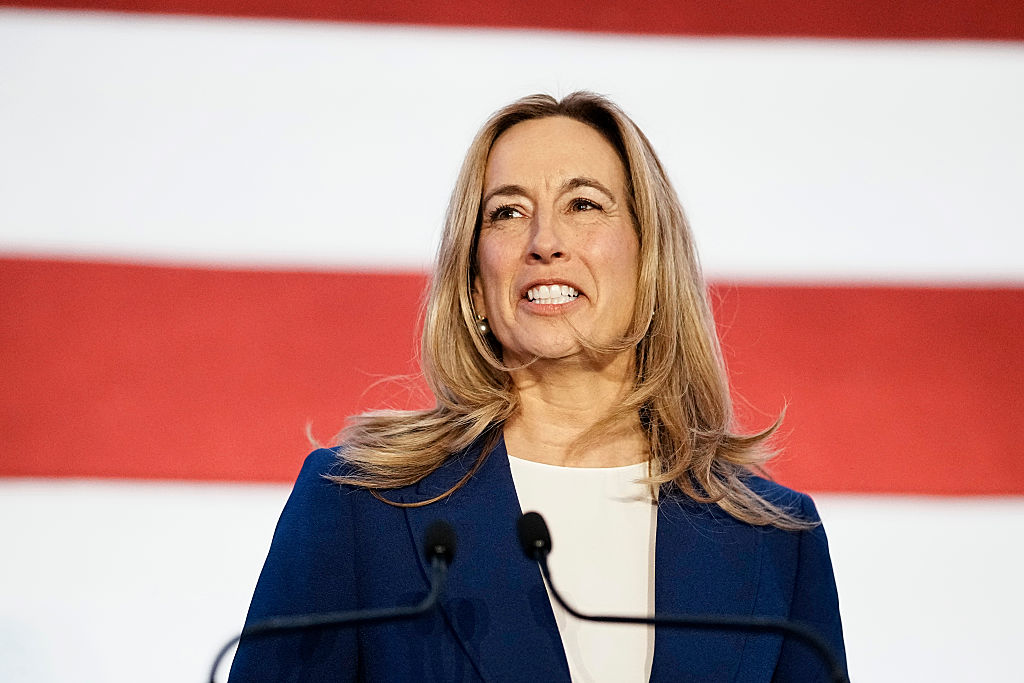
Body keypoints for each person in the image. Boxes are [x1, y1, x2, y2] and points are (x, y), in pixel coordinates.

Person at [228, 92, 846, 682]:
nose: (544, 243)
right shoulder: (361, 506)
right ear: (476, 286)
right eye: (508, 213)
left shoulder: (774, 540)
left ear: (650, 264)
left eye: (584, 204)